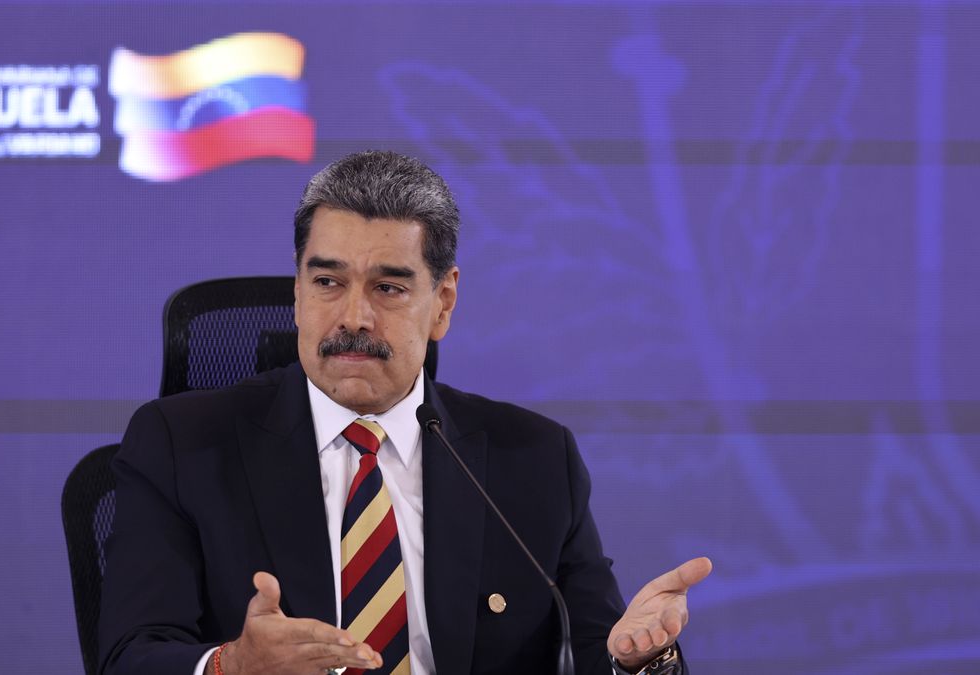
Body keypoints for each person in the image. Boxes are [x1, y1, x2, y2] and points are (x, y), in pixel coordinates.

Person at [98, 151, 712, 675]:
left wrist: (636, 660)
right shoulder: (182, 444)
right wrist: (230, 665)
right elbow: (130, 656)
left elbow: (598, 649)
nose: (354, 318)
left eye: (388, 288)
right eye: (328, 283)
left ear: (441, 303)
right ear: (297, 291)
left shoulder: (535, 459)